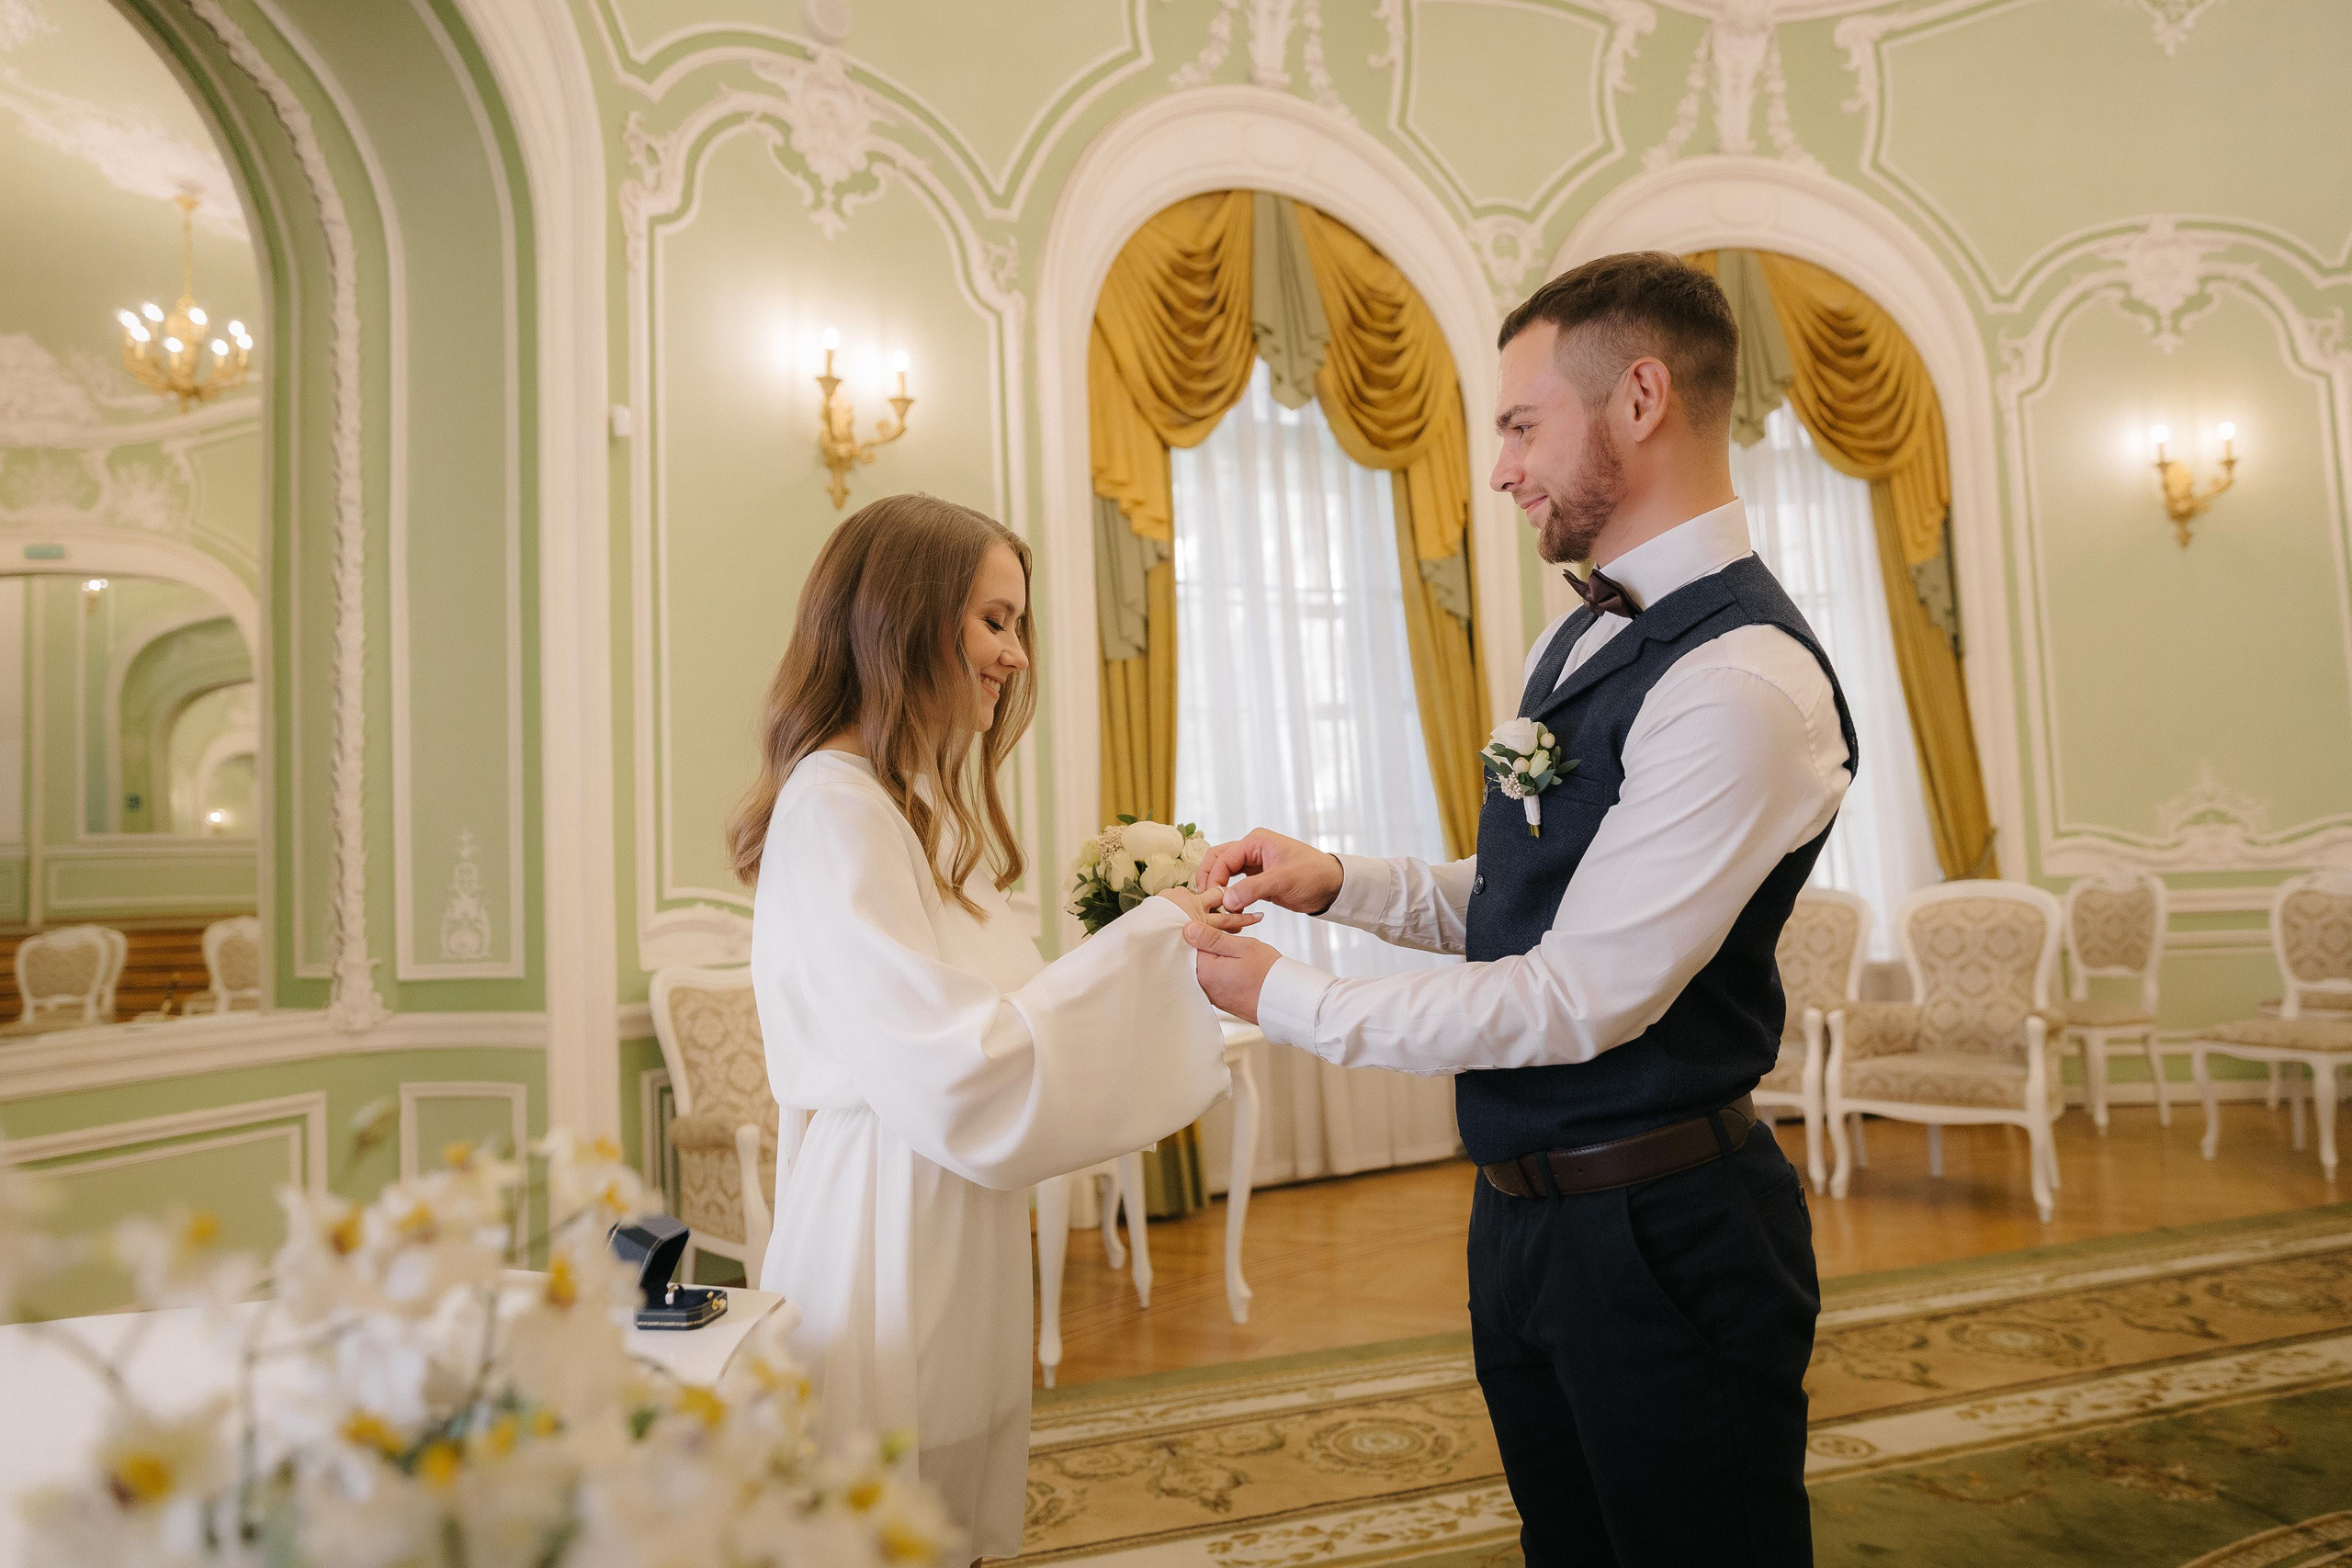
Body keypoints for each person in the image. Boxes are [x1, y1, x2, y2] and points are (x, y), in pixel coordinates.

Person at [1184, 252, 1855, 1566]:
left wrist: (1289, 999)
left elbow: (1577, 991)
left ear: (1643, 395)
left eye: (1518, 422)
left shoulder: (1743, 681)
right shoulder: (1587, 636)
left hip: (1664, 1230)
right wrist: (1342, 883)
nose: (1499, 467)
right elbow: (1524, 905)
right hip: (1529, 1220)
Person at [732, 493, 1247, 1561]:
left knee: (947, 1494)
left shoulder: (897, 803)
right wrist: (1152, 939)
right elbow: (954, 1058)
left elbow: (988, 1013)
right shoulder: (836, 808)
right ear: (904, 619)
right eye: (993, 621)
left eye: (1018, 625)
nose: (1015, 655)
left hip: (936, 1194)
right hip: (885, 1208)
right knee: (887, 1505)